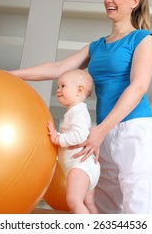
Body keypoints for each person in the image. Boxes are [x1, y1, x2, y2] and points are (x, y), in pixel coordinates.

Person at [9, 0, 152, 214]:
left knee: (141, 212)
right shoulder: (97, 46)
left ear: (135, 1)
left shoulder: (143, 39)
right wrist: (11, 74)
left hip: (134, 132)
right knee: (104, 210)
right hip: (102, 135)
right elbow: (58, 68)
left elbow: (138, 86)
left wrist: (101, 130)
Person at [47, 69, 100, 214]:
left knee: (74, 201)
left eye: (63, 86)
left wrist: (58, 138)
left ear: (79, 90)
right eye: (58, 86)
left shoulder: (77, 111)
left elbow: (79, 135)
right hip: (85, 166)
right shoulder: (75, 111)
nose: (58, 90)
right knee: (88, 203)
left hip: (80, 166)